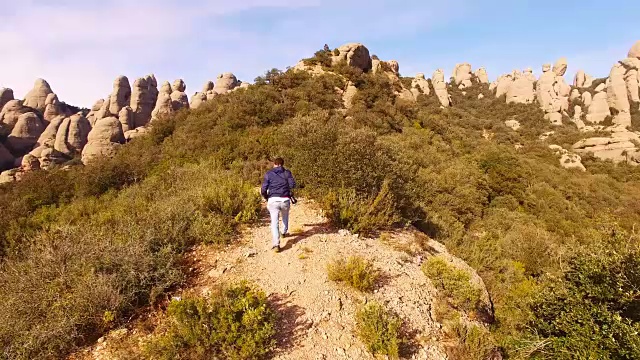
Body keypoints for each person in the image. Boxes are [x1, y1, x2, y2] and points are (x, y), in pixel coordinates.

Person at [261, 157, 296, 253]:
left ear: (274, 164)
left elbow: (264, 188)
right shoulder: (287, 172)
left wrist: (266, 197)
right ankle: (284, 232)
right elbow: (292, 185)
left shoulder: (269, 173)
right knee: (285, 216)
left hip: (273, 200)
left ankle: (276, 244)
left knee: (274, 222)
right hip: (285, 199)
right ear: (282, 164)